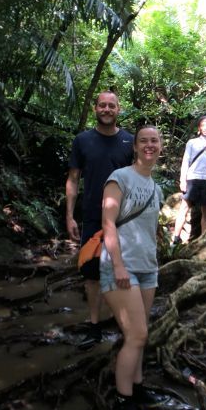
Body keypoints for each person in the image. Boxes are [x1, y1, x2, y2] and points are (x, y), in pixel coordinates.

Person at [100, 125, 165, 410]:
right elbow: (109, 223)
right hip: (120, 266)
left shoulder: (156, 186)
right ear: (135, 147)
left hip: (147, 267)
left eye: (154, 141)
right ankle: (123, 401)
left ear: (160, 146)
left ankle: (137, 389)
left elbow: (149, 230)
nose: (149, 145)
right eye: (144, 141)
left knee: (141, 334)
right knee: (136, 335)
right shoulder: (120, 178)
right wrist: (118, 266)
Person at [66, 91, 134, 350]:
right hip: (93, 219)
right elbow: (73, 179)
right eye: (102, 105)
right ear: (95, 108)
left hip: (124, 221)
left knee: (123, 273)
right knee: (92, 275)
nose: (107, 109)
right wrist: (70, 216)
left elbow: (138, 179)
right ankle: (94, 327)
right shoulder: (83, 140)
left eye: (111, 105)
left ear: (119, 109)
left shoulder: (129, 141)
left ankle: (125, 325)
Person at [172, 116, 206, 244]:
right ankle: (175, 239)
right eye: (203, 125)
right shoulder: (192, 142)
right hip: (192, 179)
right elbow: (185, 161)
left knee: (205, 212)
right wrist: (182, 180)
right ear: (199, 128)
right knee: (184, 208)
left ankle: (202, 242)